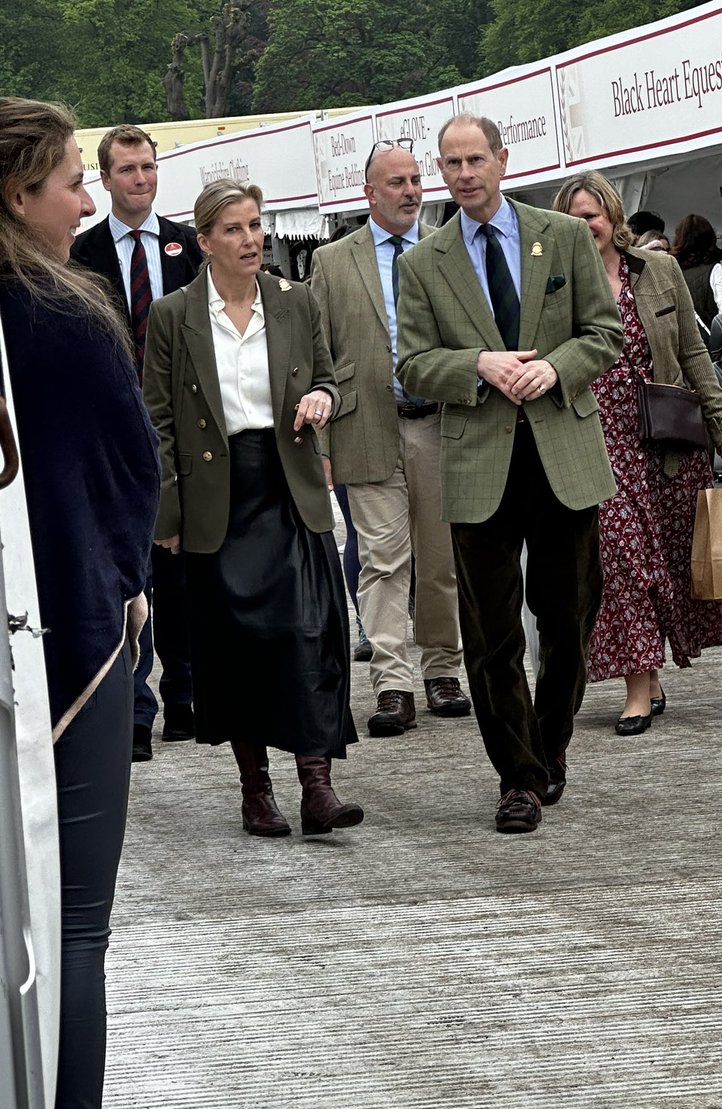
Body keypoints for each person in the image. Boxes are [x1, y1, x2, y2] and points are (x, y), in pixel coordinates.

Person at [0, 96, 160, 1109]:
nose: (88, 199)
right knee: (76, 929)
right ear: (19, 197)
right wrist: (125, 590)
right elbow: (132, 473)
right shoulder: (71, 316)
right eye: (70, 181)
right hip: (72, 646)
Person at [396, 114, 622, 834]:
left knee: (568, 621)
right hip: (477, 460)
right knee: (492, 634)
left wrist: (556, 367)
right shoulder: (423, 262)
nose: (464, 174)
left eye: (475, 160)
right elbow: (411, 365)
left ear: (502, 159)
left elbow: (605, 333)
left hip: (563, 453)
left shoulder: (560, 237)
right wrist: (476, 366)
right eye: (452, 163)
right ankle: (517, 778)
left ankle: (549, 746)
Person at [143, 179, 362, 837]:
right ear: (204, 241)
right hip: (219, 498)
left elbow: (327, 376)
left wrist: (324, 400)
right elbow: (157, 420)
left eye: (255, 225)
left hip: (288, 486)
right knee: (239, 646)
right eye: (233, 229)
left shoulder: (296, 301)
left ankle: (316, 788)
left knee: (305, 635)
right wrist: (171, 519)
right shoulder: (172, 315)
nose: (250, 239)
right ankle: (255, 791)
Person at [553, 171, 722, 733]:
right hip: (595, 442)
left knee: (663, 562)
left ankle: (651, 673)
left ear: (611, 216)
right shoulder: (556, 283)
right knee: (622, 562)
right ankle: (638, 684)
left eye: (591, 214)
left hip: (664, 441)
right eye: (573, 218)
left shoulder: (657, 271)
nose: (585, 226)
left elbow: (692, 353)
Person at [310, 140, 470, 736]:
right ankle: (391, 683)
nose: (411, 191)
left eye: (414, 179)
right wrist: (322, 445)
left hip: (442, 423)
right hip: (367, 427)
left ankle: (443, 670)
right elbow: (317, 352)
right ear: (369, 193)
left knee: (440, 561)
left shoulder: (448, 250)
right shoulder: (333, 261)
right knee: (381, 560)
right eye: (396, 182)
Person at [72, 124, 203, 763]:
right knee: (135, 564)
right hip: (117, 430)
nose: (141, 180)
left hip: (182, 427)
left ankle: (185, 697)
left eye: (149, 167)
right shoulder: (80, 254)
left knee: (184, 566)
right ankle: (134, 709)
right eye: (127, 170)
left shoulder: (185, 247)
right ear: (105, 177)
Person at [670, 213, 722, 332]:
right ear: (710, 239)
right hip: (708, 347)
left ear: (679, 239)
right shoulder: (715, 271)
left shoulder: (669, 271)